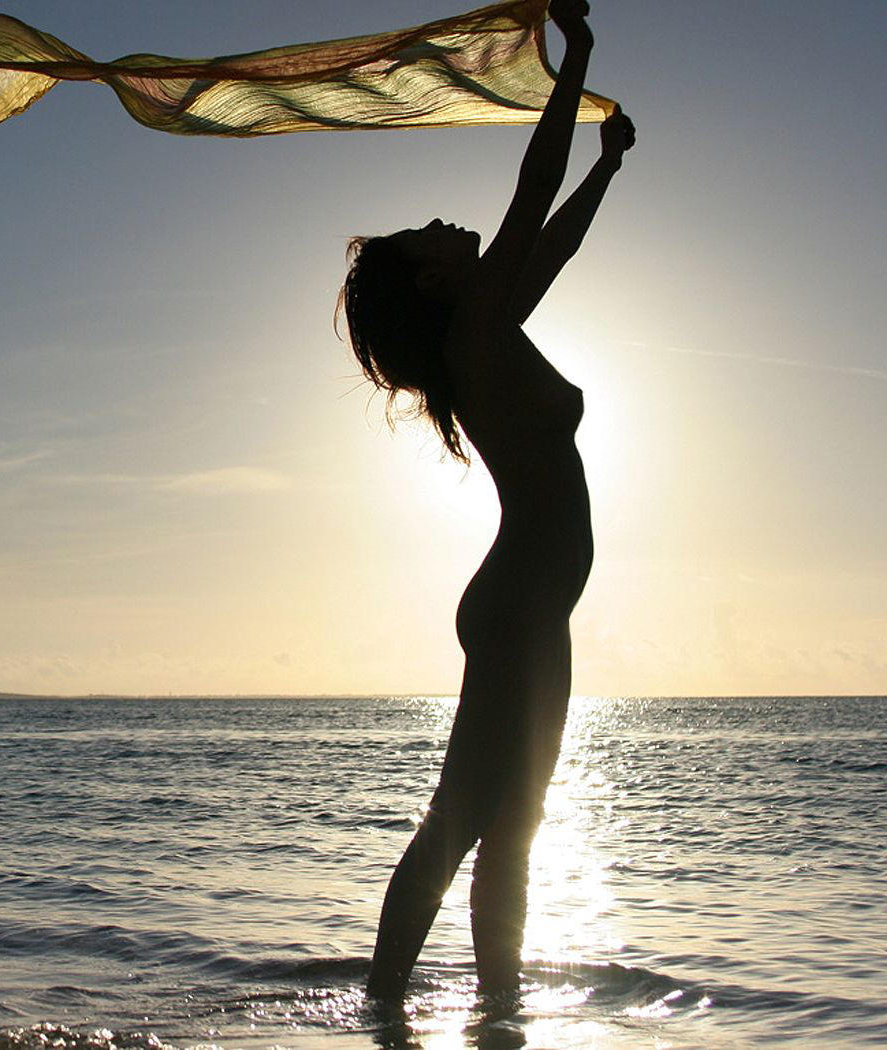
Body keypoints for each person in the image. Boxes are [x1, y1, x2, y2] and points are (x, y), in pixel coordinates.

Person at [338, 0, 635, 1000]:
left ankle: (474, 1009)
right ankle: (410, 1005)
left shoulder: (486, 327)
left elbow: (553, 241)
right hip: (517, 609)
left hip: (527, 606)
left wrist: (608, 167)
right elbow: (531, 187)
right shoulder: (472, 328)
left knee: (503, 823)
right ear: (432, 278)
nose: (445, 223)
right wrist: (574, 57)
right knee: (472, 820)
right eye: (428, 232)